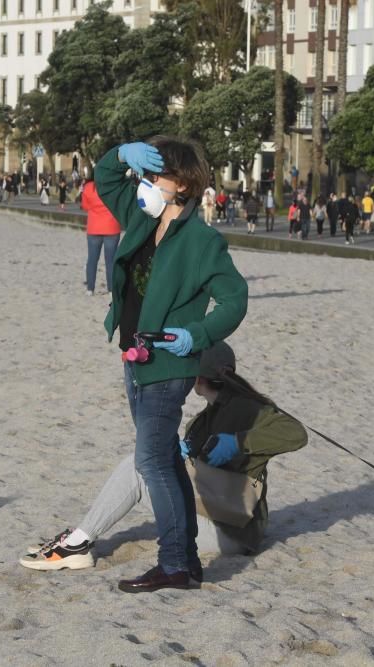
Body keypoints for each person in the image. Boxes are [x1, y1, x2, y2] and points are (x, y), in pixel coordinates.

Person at [85, 136, 248, 592]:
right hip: (134, 358)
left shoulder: (202, 240)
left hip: (169, 364)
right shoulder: (142, 217)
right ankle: (188, 561)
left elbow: (234, 300)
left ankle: (174, 563)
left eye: (157, 175)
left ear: (183, 184)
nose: (147, 182)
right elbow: (105, 178)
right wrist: (123, 154)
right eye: (147, 172)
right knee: (166, 462)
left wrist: (196, 336)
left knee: (152, 460)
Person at [20, 342, 307, 571]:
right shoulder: (204, 418)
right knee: (147, 463)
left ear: (198, 375)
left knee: (138, 467)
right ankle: (79, 539)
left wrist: (239, 442)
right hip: (214, 510)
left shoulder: (247, 407)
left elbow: (296, 433)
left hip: (234, 532)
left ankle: (77, 544)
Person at [80, 169, 121, 296]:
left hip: (94, 227)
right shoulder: (113, 187)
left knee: (92, 259)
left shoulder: (88, 188)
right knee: (110, 261)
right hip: (111, 227)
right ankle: (111, 289)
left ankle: (90, 288)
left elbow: (85, 206)